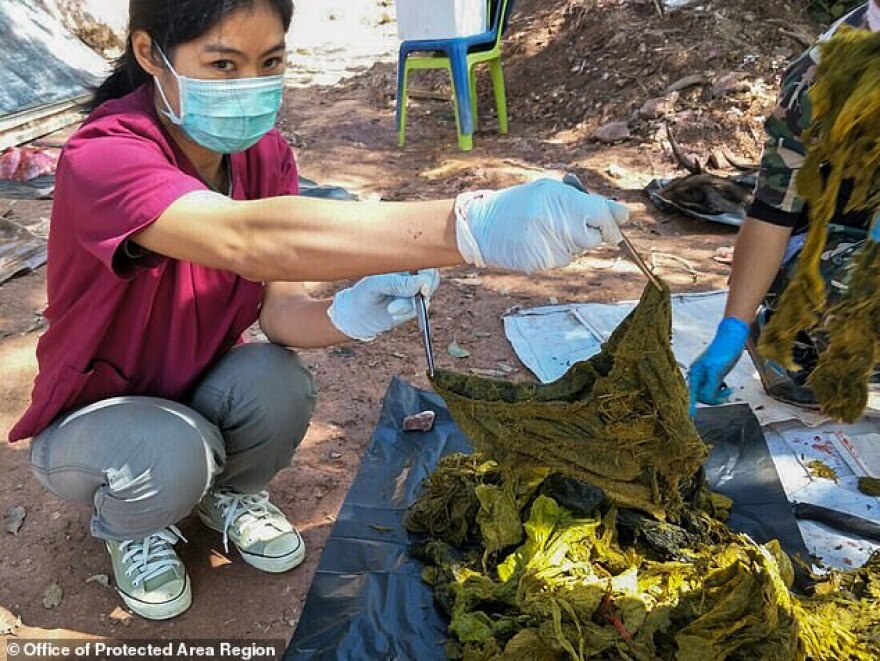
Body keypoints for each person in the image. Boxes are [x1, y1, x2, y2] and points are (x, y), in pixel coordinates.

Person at [9, 0, 628, 620]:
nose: (250, 85)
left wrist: (350, 312)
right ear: (150, 54)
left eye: (269, 61)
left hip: (190, 389)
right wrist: (469, 225)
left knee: (277, 381)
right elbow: (244, 238)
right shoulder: (105, 153)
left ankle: (226, 494)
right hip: (96, 417)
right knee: (173, 452)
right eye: (223, 64)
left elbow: (281, 310)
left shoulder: (265, 155)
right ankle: (131, 525)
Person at [688, 1, 877, 413]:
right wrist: (732, 329)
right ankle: (790, 338)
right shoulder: (818, 80)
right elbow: (772, 214)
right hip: (832, 243)